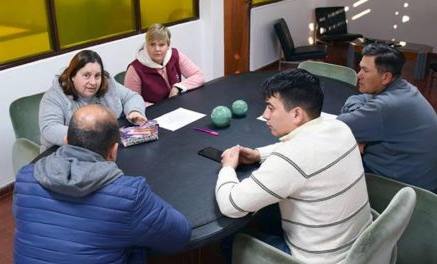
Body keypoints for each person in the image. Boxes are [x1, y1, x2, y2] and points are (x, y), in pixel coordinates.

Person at [215, 69, 371, 264]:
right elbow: (308, 152)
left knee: (229, 240)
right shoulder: (339, 127)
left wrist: (227, 168)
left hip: (321, 259)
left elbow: (230, 205)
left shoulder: (290, 159)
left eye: (271, 108)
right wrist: (258, 154)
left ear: (297, 114)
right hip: (360, 248)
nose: (265, 115)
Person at [13, 104, 191, 263]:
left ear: (66, 141)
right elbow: (179, 236)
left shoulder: (26, 176)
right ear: (113, 151)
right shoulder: (129, 195)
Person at [337, 43, 437, 192]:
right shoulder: (405, 88)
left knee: (334, 157)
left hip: (406, 192)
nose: (358, 75)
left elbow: (340, 125)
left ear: (386, 77)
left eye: (365, 70)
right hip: (421, 180)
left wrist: (359, 126)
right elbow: (360, 98)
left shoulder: (386, 106)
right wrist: (360, 118)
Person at [39, 49, 147, 152]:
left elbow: (132, 97)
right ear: (72, 76)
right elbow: (50, 128)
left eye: (97, 76)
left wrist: (134, 111)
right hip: (64, 153)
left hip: (104, 148)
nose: (93, 82)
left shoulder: (107, 83)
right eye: (86, 75)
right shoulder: (53, 96)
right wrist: (90, 135)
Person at [124, 23, 205, 105]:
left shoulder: (175, 55)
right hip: (151, 113)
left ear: (168, 45)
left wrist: (177, 87)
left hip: (176, 107)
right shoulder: (135, 69)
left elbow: (200, 75)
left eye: (161, 45)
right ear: (146, 45)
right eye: (152, 44)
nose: (157, 49)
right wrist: (159, 107)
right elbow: (131, 101)